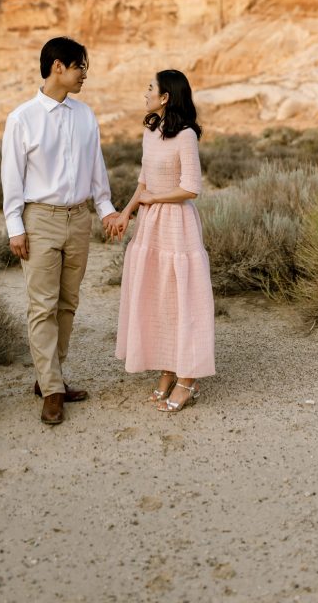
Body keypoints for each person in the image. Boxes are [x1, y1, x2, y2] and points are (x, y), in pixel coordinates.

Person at [2, 36, 119, 425]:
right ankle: (52, 390)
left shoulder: (86, 115)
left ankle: (49, 374)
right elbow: (12, 178)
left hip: (79, 218)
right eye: (79, 66)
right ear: (58, 67)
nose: (84, 74)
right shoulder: (22, 118)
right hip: (41, 221)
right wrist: (15, 226)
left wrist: (105, 210)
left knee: (68, 303)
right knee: (42, 306)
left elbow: (96, 168)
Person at [111, 69, 215, 412]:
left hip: (177, 223)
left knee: (182, 297)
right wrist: (126, 213)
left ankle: (188, 379)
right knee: (159, 298)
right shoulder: (151, 130)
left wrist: (153, 201)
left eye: (150, 88)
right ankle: (168, 369)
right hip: (150, 224)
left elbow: (191, 188)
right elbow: (143, 182)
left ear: (166, 96)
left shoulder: (186, 136)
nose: (145, 93)